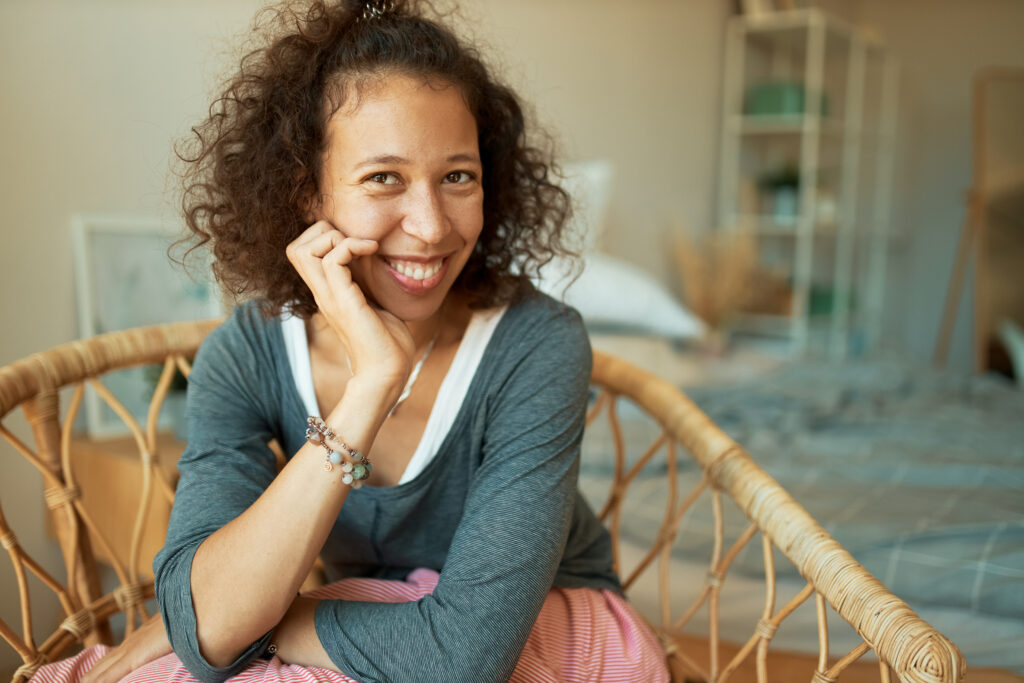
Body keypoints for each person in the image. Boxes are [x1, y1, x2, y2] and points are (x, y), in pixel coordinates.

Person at [35, 1, 670, 681]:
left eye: (458, 176)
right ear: (307, 193)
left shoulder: (537, 342)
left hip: (547, 627)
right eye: (383, 178)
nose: (429, 227)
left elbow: (464, 656)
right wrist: (371, 386)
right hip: (371, 627)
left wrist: (235, 622)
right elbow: (212, 621)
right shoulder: (245, 356)